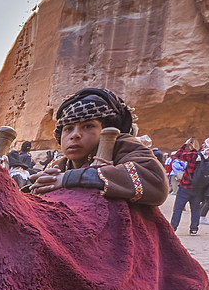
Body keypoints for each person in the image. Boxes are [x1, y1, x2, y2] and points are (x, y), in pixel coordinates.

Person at [29, 87, 167, 206]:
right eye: (68, 128)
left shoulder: (120, 144)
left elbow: (156, 183)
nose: (75, 135)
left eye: (88, 126)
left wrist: (69, 179)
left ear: (105, 130)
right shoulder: (59, 164)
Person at [168, 139, 206, 235]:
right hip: (198, 187)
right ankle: (194, 229)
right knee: (195, 209)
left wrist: (185, 145)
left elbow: (178, 155)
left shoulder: (192, 156)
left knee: (178, 208)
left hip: (185, 185)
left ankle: (173, 227)